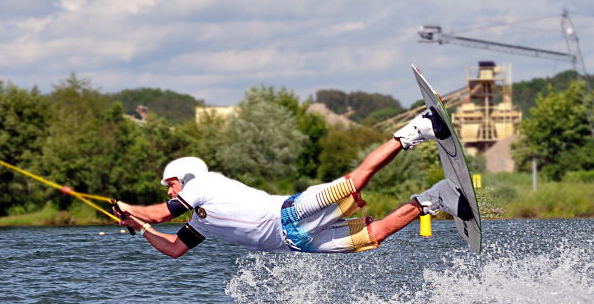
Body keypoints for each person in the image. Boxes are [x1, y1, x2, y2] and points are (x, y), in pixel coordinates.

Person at [114, 108, 472, 258]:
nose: (169, 190)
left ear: (185, 178)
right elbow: (175, 248)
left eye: (170, 183)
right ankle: (433, 199)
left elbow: (162, 213)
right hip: (296, 244)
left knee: (355, 181)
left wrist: (135, 210)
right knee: (372, 237)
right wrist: (140, 227)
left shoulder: (203, 183)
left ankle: (416, 130)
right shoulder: (199, 221)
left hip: (290, 212)